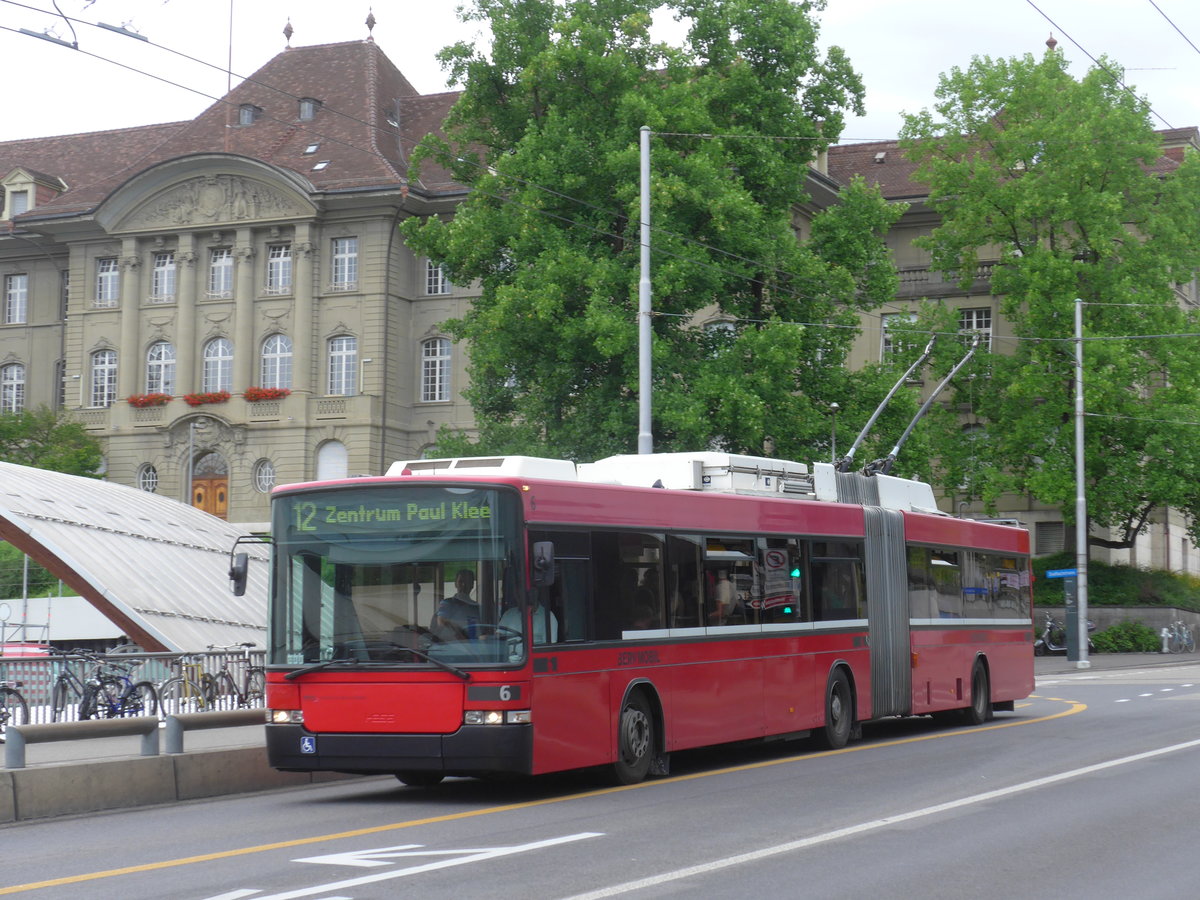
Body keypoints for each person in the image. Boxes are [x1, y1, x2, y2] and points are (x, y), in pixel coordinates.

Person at [433, 569, 479, 640]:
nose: (463, 585)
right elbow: (441, 622)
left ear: (472, 585)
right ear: (455, 584)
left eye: (467, 582)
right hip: (451, 645)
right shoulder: (447, 603)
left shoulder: (477, 607)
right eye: (460, 581)